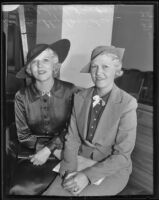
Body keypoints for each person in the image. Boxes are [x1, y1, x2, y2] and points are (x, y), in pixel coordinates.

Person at [43, 45, 138, 196]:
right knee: (53, 193)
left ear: (117, 70)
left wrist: (87, 176)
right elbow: (72, 138)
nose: (98, 72)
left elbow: (122, 156)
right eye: (94, 67)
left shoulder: (127, 103)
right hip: (80, 161)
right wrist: (69, 168)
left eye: (105, 67)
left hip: (112, 170)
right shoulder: (80, 97)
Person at [9, 39, 77, 195]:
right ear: (29, 70)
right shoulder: (21, 96)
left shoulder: (71, 91)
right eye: (34, 62)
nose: (40, 66)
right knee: (20, 188)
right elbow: (24, 136)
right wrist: (47, 150)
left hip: (68, 153)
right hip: (33, 154)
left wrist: (50, 149)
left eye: (45, 60)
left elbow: (74, 128)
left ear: (54, 65)